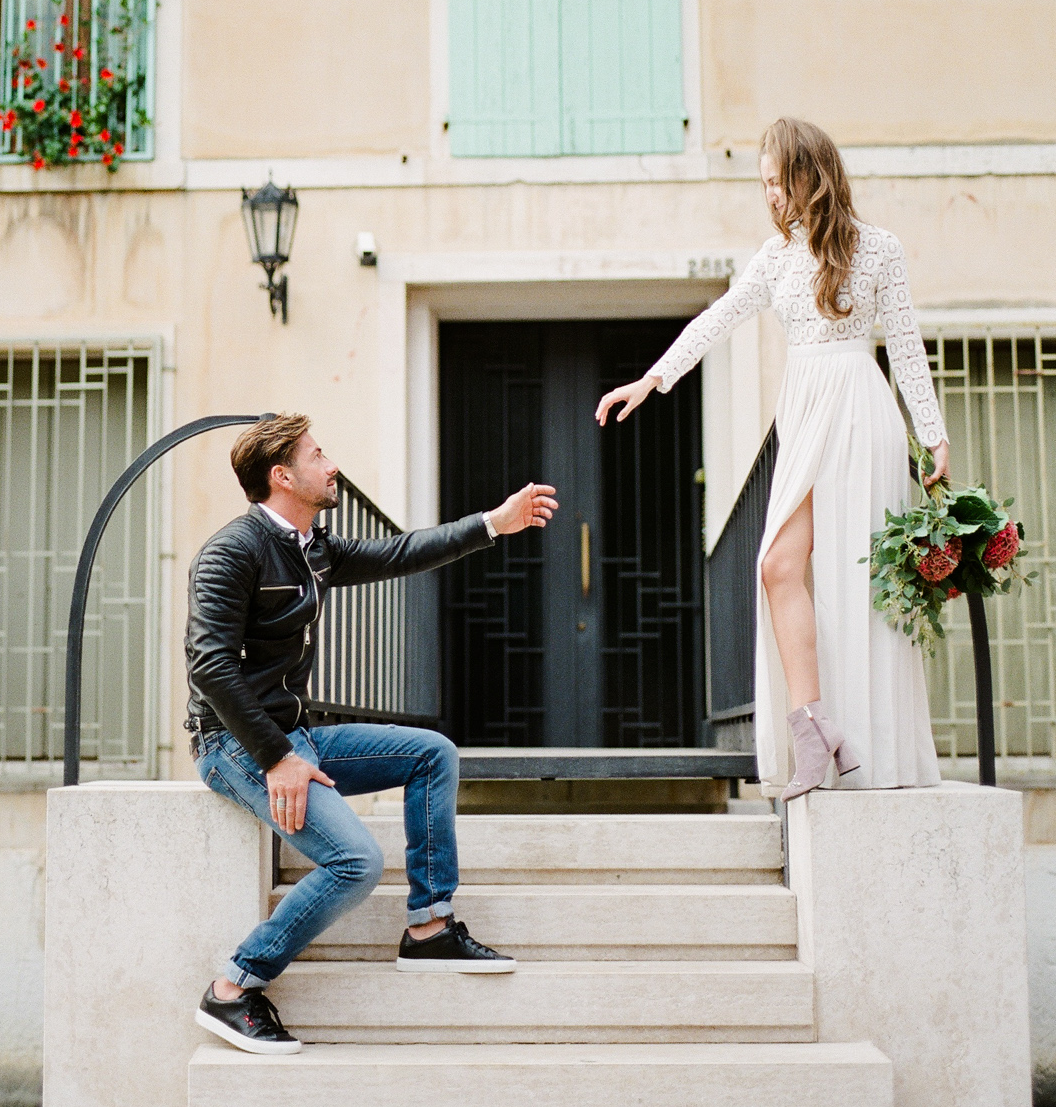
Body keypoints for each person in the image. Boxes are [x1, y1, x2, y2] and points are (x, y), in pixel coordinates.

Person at [597, 117, 948, 801]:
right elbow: (716, 321)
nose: (770, 196)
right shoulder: (775, 257)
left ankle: (874, 742)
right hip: (806, 408)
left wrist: (932, 432)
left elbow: (905, 345)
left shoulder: (879, 249)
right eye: (762, 185)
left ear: (807, 176)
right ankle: (814, 728)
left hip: (860, 410)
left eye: (776, 182)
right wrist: (652, 380)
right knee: (777, 566)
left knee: (860, 577)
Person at [186, 412, 558, 1054]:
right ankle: (234, 988)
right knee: (356, 862)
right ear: (282, 476)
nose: (331, 466)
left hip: (296, 736)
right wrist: (276, 758)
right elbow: (209, 664)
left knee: (431, 755)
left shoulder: (312, 547)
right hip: (236, 745)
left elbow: (399, 552)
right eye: (317, 455)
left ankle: (430, 929)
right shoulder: (232, 551)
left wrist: (495, 522)